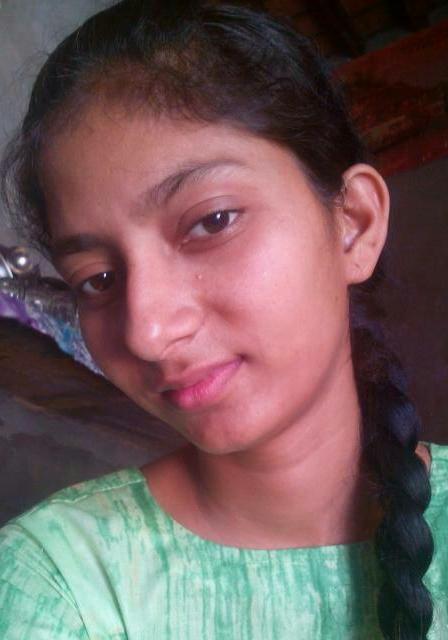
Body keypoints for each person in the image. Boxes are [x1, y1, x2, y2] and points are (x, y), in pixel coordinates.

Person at [0, 1, 445, 638]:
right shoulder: (56, 583)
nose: (147, 333)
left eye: (212, 222)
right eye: (97, 280)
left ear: (353, 224)